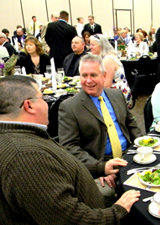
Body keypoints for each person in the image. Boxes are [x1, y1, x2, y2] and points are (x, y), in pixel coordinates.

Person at [0, 75, 141, 224]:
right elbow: (70, 220)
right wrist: (118, 211)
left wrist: (99, 168)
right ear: (29, 106)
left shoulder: (22, 138)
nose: (46, 103)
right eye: (42, 98)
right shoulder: (25, 156)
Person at [58, 54, 142, 204]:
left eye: (93, 75)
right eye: (84, 75)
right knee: (104, 194)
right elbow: (69, 147)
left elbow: (131, 124)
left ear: (104, 76)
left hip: (129, 155)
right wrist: (99, 168)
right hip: (99, 161)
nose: (88, 80)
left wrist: (142, 147)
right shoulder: (69, 107)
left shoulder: (116, 95)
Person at [90, 34, 133, 107]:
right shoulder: (107, 57)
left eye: (93, 45)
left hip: (117, 96)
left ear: (101, 46)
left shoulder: (107, 60)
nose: (90, 47)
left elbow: (106, 85)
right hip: (116, 93)